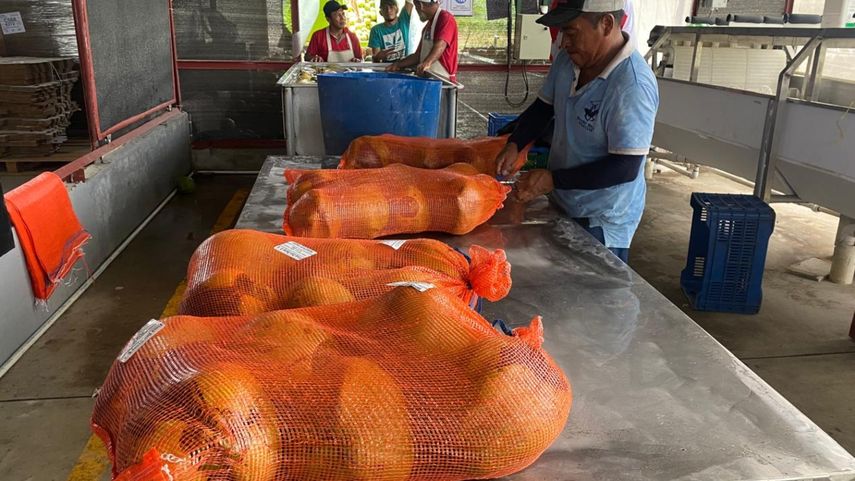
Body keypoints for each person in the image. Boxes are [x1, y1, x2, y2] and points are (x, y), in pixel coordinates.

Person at [494, 0, 659, 263]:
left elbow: (625, 167)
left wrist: (553, 179)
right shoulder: (567, 60)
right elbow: (543, 108)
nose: (564, 43)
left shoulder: (631, 86)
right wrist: (515, 142)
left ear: (605, 24)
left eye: (571, 32)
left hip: (602, 218)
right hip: (565, 201)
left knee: (592, 295)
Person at [387, 0, 458, 82]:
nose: (417, 11)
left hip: (443, 80)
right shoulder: (427, 27)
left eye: (416, 7)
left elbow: (440, 45)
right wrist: (397, 64)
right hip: (429, 79)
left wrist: (427, 63)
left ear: (420, 5)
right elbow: (417, 56)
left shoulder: (446, 19)